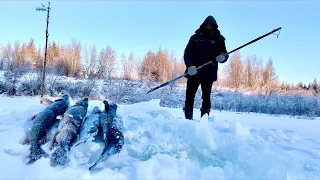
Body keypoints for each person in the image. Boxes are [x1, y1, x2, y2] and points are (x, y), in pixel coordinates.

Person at [183, 15, 229, 120]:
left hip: (209, 72)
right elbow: (187, 52)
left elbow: (224, 54)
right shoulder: (195, 37)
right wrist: (189, 65)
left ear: (214, 26)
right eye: (207, 25)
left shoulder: (219, 39)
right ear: (203, 25)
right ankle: (188, 119)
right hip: (193, 71)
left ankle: (204, 121)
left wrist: (222, 57)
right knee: (189, 96)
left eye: (211, 26)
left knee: (206, 97)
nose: (208, 27)